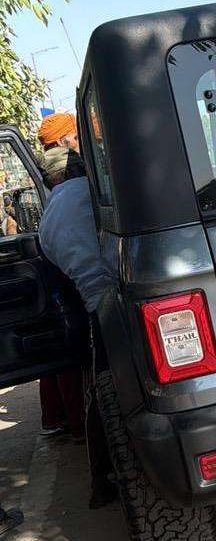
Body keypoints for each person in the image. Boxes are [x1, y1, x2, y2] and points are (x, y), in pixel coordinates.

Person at [38, 146, 116, 507]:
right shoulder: (100, 188)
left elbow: (60, 284)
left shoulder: (46, 221)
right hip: (127, 291)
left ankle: (102, 479)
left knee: (101, 392)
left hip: (94, 309)